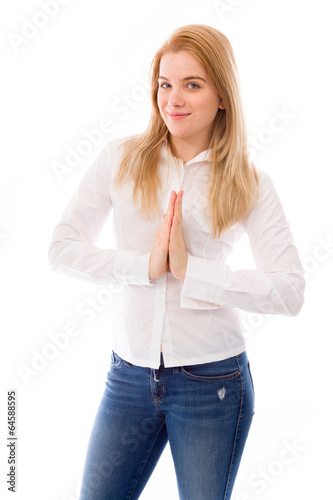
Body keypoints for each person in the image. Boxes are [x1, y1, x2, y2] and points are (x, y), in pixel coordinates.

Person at [48, 24, 305, 500]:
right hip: (127, 376)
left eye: (193, 84)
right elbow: (61, 248)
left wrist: (194, 272)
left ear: (223, 96)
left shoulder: (250, 180)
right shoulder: (119, 159)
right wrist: (143, 266)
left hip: (214, 384)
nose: (174, 100)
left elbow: (290, 291)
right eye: (165, 84)